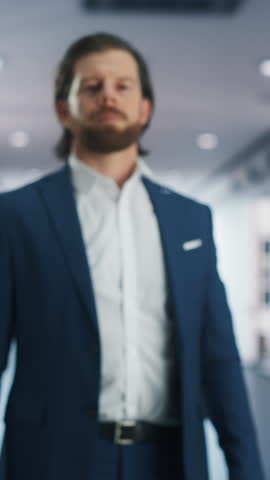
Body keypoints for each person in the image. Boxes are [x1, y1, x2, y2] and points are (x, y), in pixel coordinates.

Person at [0, 32, 265, 480]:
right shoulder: (17, 216)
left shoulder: (190, 220)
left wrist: (248, 470)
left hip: (165, 460)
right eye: (92, 86)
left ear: (145, 108)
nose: (108, 96)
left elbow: (217, 360)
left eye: (123, 86)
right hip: (50, 460)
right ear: (64, 110)